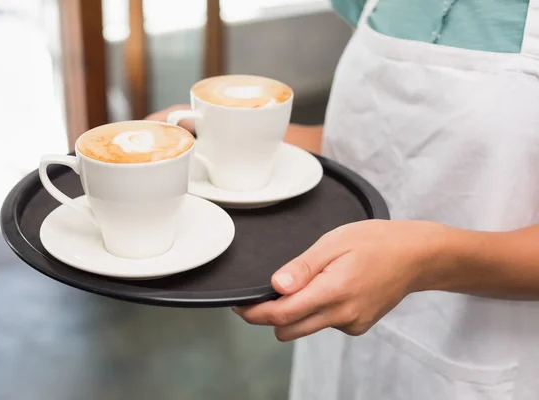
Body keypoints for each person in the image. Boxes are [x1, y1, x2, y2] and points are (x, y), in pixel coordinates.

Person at [146, 0, 539, 398]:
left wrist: (427, 261)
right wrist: (226, 140)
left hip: (483, 352)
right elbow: (363, 140)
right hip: (336, 331)